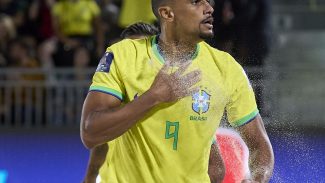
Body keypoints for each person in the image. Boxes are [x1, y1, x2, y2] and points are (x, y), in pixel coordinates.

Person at [80, 0, 274, 182]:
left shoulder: (227, 68)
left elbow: (259, 144)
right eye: (196, 1)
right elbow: (90, 134)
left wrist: (257, 178)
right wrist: (153, 96)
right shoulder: (123, 55)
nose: (209, 7)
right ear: (167, 13)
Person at [82, 22, 224, 183]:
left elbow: (216, 166)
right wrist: (90, 177)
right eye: (129, 51)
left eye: (143, 52)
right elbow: (100, 142)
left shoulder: (181, 101)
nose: (136, 59)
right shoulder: (117, 103)